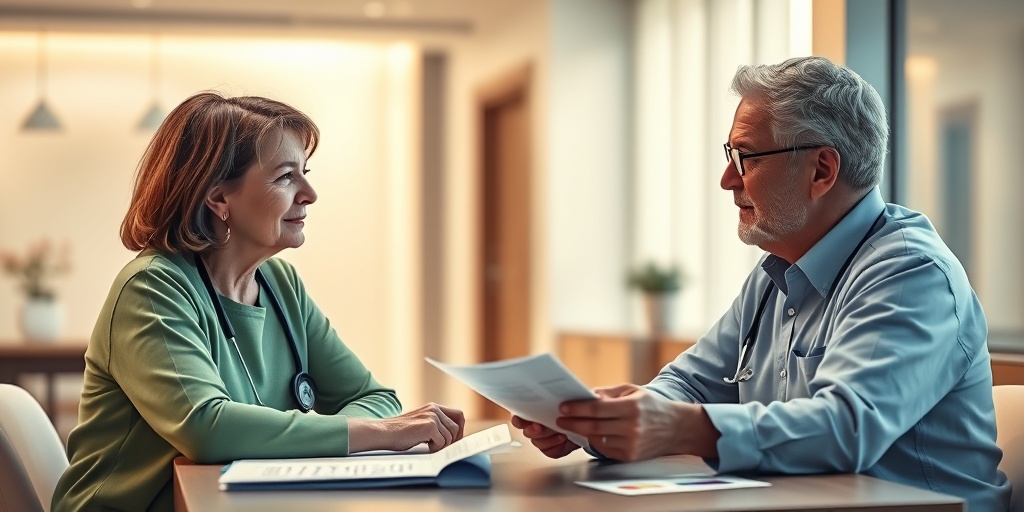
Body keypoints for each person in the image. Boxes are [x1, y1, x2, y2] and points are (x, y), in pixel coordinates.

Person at [512, 56, 1010, 511]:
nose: (728, 179)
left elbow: (846, 427)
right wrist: (603, 424)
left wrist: (678, 428)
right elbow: (692, 383)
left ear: (821, 169)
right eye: (731, 154)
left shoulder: (908, 272)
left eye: (747, 157)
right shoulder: (778, 270)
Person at [52, 92, 465, 512]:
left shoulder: (280, 284)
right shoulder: (152, 289)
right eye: (286, 177)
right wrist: (381, 433)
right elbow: (207, 428)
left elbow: (373, 396)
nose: (309, 193)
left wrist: (361, 427)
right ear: (219, 199)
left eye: (305, 173)